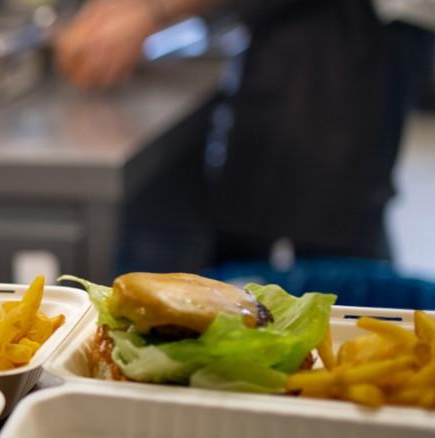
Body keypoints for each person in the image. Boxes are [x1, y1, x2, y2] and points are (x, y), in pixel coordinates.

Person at [56, 0, 434, 264]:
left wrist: (152, 10)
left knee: (323, 216)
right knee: (280, 209)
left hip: (349, 28)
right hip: (304, 29)